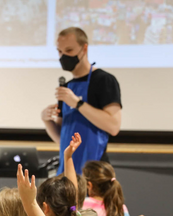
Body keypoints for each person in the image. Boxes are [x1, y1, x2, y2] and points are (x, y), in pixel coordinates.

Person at [41, 27, 122, 174]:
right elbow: (62, 139)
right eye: (60, 51)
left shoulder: (104, 80)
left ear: (84, 48)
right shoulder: (66, 87)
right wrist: (46, 120)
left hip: (95, 173)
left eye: (69, 50)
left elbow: (113, 126)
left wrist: (78, 104)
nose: (63, 56)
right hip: (67, 171)